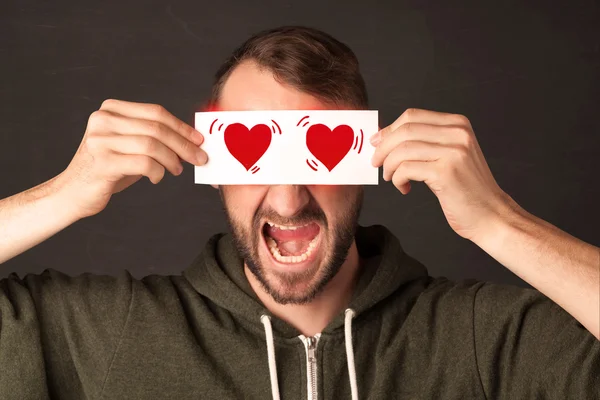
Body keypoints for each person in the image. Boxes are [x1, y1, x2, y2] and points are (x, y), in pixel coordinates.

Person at [0, 25, 598, 400]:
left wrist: (499, 222)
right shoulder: (113, 333)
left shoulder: (483, 338)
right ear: (216, 169)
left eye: (319, 157)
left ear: (367, 161)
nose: (287, 199)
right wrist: (63, 195)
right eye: (255, 155)